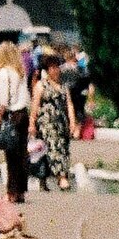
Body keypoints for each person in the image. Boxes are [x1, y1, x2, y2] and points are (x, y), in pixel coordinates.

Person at [0, 41, 31, 202]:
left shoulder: (4, 73)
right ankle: (21, 190)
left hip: (11, 115)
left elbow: (3, 100)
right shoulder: (20, 72)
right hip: (23, 114)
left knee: (11, 156)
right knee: (22, 153)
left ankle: (11, 192)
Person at [34, 51, 76, 192]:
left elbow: (69, 104)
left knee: (62, 149)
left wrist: (72, 122)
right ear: (47, 70)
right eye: (52, 68)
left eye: (57, 67)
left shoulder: (63, 86)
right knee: (52, 149)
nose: (55, 70)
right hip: (46, 124)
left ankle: (44, 179)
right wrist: (31, 123)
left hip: (61, 123)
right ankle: (61, 178)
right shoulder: (41, 85)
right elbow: (35, 105)